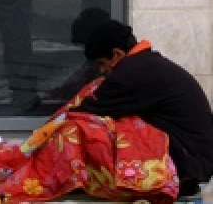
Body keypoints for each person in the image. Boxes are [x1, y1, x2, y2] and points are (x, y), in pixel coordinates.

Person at [73, 20, 213, 199]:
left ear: (116, 54)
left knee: (86, 127)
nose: (102, 71)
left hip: (187, 163)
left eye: (102, 64)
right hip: (195, 161)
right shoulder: (147, 64)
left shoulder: (129, 74)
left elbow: (87, 110)